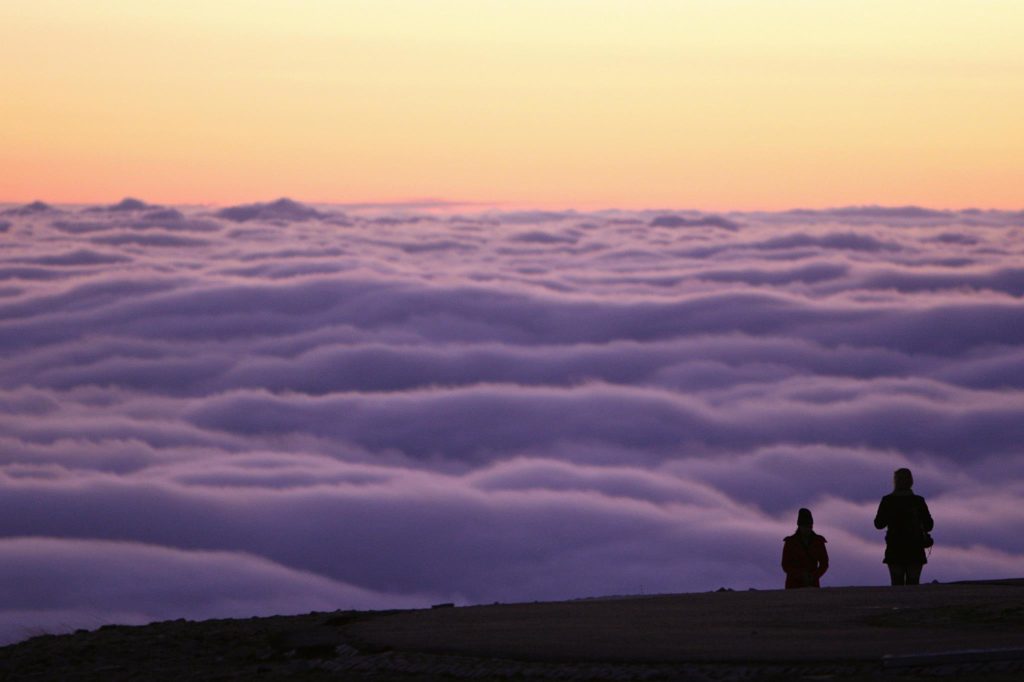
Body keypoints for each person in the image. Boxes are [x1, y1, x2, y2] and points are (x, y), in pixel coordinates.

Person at [874, 467, 933, 585]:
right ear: (911, 481)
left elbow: (878, 524)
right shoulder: (918, 501)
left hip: (895, 547)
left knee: (897, 585)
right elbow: (929, 525)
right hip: (915, 546)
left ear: (895, 481)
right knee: (913, 584)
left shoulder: (887, 500)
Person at [781, 508, 829, 589]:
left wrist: (814, 576)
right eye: (805, 526)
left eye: (809, 526)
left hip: (812, 584)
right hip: (793, 586)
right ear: (799, 526)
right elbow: (785, 565)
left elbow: (824, 563)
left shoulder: (819, 541)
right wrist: (800, 575)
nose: (807, 529)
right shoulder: (790, 542)